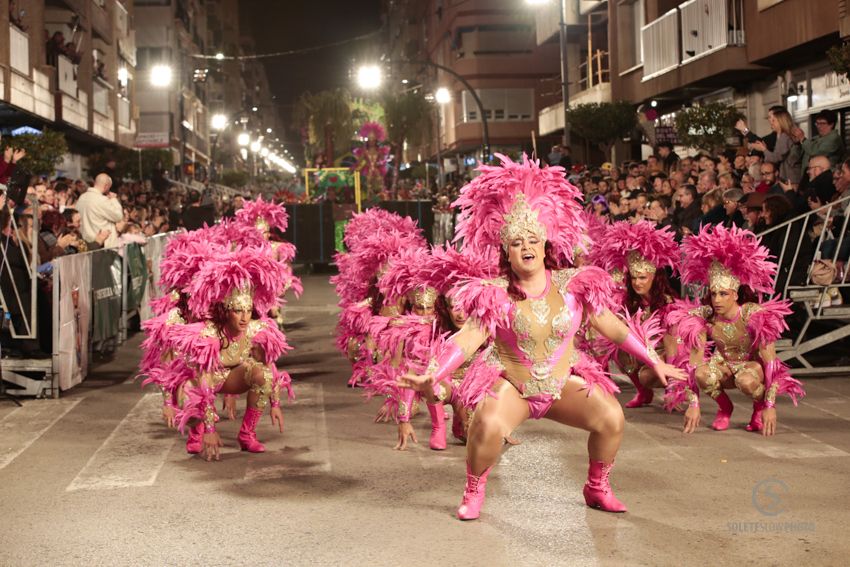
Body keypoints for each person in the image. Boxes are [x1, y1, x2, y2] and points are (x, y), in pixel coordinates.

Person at [399, 155, 685, 520]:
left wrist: (654, 360)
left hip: (561, 382)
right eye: (517, 242)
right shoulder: (495, 291)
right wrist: (434, 373)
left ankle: (597, 487)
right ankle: (474, 488)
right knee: (485, 423)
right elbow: (468, 338)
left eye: (532, 239)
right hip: (513, 386)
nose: (526, 247)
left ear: (545, 243)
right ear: (506, 250)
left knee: (611, 417)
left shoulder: (574, 285)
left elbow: (613, 326)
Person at [665, 225, 805, 435]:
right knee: (704, 374)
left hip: (750, 367)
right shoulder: (705, 317)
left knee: (745, 380)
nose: (717, 300)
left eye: (723, 294)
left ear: (736, 295)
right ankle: (725, 408)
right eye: (714, 294)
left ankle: (757, 407)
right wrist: (694, 405)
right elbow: (693, 366)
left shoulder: (753, 315)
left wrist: (769, 406)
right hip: (723, 365)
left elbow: (771, 363)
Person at [592, 220, 682, 408]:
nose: (637, 283)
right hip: (644, 351)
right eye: (633, 277)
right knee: (615, 347)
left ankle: (674, 389)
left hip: (668, 354)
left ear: (654, 278)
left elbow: (672, 344)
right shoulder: (629, 301)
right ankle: (643, 392)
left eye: (642, 278)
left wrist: (673, 388)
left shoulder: (666, 303)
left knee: (646, 375)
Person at [76, 173, 123, 248]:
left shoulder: (81, 198)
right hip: (103, 244)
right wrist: (114, 199)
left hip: (87, 243)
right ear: (106, 186)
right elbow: (118, 216)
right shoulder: (102, 200)